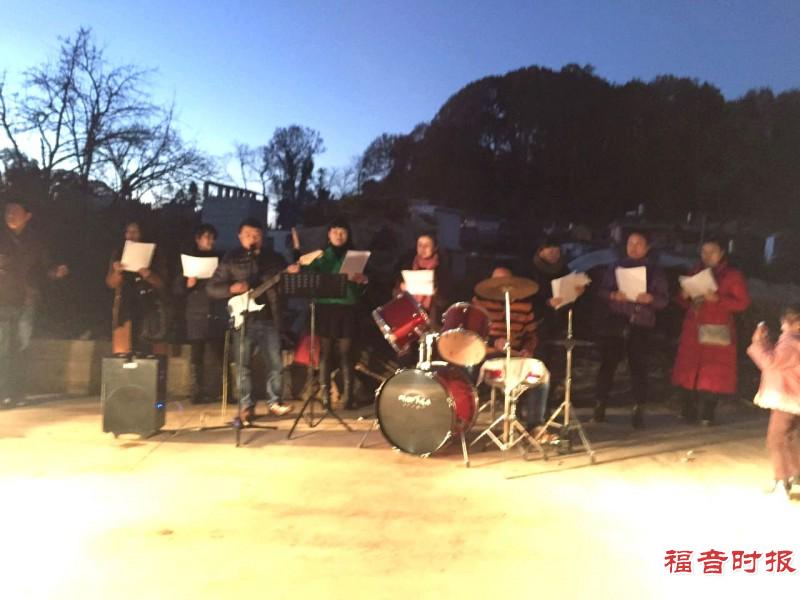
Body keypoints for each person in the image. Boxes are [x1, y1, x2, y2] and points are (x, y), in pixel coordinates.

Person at [207, 217, 295, 423]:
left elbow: (287, 288)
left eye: (256, 235)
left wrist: (291, 275)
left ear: (262, 237)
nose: (252, 239)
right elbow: (211, 288)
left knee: (275, 363)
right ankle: (246, 405)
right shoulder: (230, 259)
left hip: (269, 318)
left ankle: (274, 402)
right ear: (240, 237)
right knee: (242, 365)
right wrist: (231, 289)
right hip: (243, 320)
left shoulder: (274, 259)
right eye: (247, 235)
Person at [593, 231, 668, 428]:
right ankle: (600, 405)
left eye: (638, 243)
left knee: (638, 367)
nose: (633, 247)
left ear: (647, 247)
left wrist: (650, 299)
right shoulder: (616, 266)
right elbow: (601, 291)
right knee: (608, 365)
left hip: (641, 323)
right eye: (630, 243)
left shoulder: (655, 271)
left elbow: (663, 300)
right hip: (617, 321)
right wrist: (613, 295)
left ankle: (638, 408)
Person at [672, 239, 750, 425]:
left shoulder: (732, 275)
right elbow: (683, 301)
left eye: (712, 252)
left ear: (722, 253)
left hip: (717, 327)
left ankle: (707, 412)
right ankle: (687, 408)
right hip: (693, 327)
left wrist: (718, 299)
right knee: (689, 370)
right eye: (703, 252)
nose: (707, 256)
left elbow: (742, 303)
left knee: (713, 373)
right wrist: (683, 296)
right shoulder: (695, 272)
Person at [0, 197, 68, 407]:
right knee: (2, 347)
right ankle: (2, 393)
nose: (10, 215)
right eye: (7, 211)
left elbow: (44, 268)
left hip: (26, 299)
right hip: (2, 298)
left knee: (21, 345)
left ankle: (18, 393)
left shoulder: (36, 241)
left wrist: (55, 273)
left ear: (27, 216)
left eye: (15, 211)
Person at [472, 267, 547, 432]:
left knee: (540, 372)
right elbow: (473, 333)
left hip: (515, 353)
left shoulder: (524, 306)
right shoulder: (480, 304)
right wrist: (493, 341)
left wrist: (528, 348)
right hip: (489, 354)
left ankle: (535, 424)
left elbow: (531, 334)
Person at [304, 219, 367, 410]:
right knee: (325, 353)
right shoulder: (322, 256)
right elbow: (308, 276)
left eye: (343, 232)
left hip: (347, 308)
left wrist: (363, 281)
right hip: (325, 308)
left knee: (346, 354)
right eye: (335, 232)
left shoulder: (356, 256)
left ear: (348, 235)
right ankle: (325, 395)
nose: (339, 236)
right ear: (329, 235)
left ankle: (348, 396)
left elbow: (360, 289)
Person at [747, 306, 800, 499]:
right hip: (793, 396)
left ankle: (781, 480)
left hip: (786, 396)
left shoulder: (791, 342)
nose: (784, 324)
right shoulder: (793, 341)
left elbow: (770, 362)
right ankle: (796, 477)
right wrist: (766, 341)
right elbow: (779, 360)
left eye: (787, 320)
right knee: (790, 438)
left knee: (776, 439)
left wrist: (758, 342)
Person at [527, 237, 586, 401]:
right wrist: (546, 302)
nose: (554, 254)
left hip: (559, 321)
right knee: (539, 362)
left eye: (557, 251)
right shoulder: (531, 270)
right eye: (550, 250)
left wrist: (576, 293)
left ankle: (548, 400)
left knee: (556, 364)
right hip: (538, 321)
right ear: (541, 251)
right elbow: (528, 295)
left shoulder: (564, 269)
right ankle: (531, 401)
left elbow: (570, 296)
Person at [172, 224, 226, 403]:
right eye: (206, 237)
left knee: (219, 353)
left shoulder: (221, 258)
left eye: (212, 237)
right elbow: (177, 289)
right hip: (195, 312)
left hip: (216, 310)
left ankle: (223, 391)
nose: (210, 241)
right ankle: (197, 391)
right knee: (197, 354)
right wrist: (188, 283)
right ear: (198, 239)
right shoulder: (189, 259)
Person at [105, 221, 169, 356]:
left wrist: (148, 275)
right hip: (126, 306)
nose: (131, 236)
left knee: (147, 350)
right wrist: (117, 272)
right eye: (128, 232)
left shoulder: (155, 253)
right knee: (124, 350)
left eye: (135, 232)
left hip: (149, 305)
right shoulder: (118, 253)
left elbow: (162, 283)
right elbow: (110, 283)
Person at [395, 232, 451, 324]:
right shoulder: (408, 265)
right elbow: (395, 293)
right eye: (420, 245)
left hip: (432, 317)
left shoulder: (441, 269)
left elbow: (445, 300)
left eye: (427, 245)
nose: (422, 248)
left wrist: (436, 294)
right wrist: (401, 288)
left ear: (435, 247)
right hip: (409, 314)